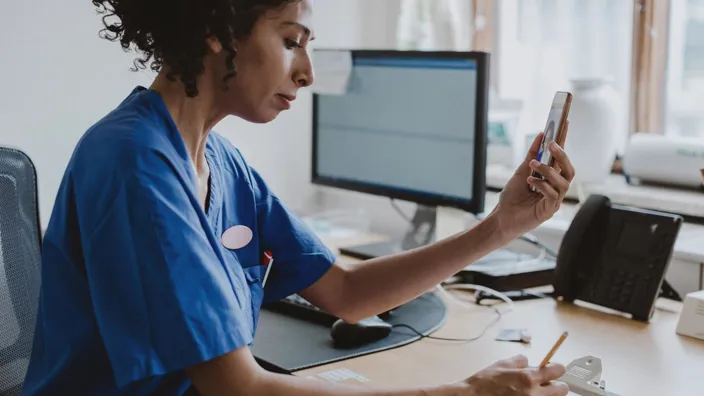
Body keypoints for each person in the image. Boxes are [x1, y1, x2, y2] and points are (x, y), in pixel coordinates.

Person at [22, 1, 576, 395]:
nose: (307, 72)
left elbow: (346, 292)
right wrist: (467, 393)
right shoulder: (133, 164)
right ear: (218, 27)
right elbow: (240, 389)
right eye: (291, 42)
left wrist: (500, 226)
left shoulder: (220, 161)